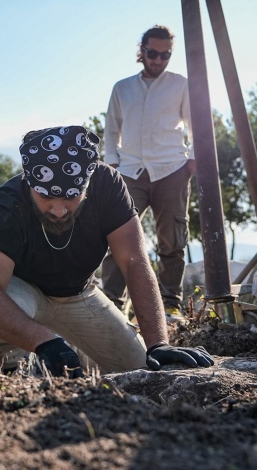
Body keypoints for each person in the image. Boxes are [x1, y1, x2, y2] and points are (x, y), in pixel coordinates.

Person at [0, 125, 213, 377]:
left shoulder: (107, 185)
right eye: (47, 199)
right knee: (1, 309)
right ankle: (16, 371)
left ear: (87, 184)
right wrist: (44, 342)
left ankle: (78, 356)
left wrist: (158, 343)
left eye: (70, 199)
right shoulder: (8, 205)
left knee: (142, 368)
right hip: (24, 293)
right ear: (30, 183)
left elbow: (134, 262)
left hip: (78, 293)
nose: (59, 211)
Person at [101, 25, 194, 323]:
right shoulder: (122, 88)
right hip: (129, 173)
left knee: (172, 240)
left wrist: (191, 163)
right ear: (141, 50)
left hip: (172, 170)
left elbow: (198, 126)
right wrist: (113, 164)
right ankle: (113, 306)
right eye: (153, 53)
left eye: (165, 55)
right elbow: (111, 130)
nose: (158, 60)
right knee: (117, 238)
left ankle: (170, 305)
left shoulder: (181, 85)